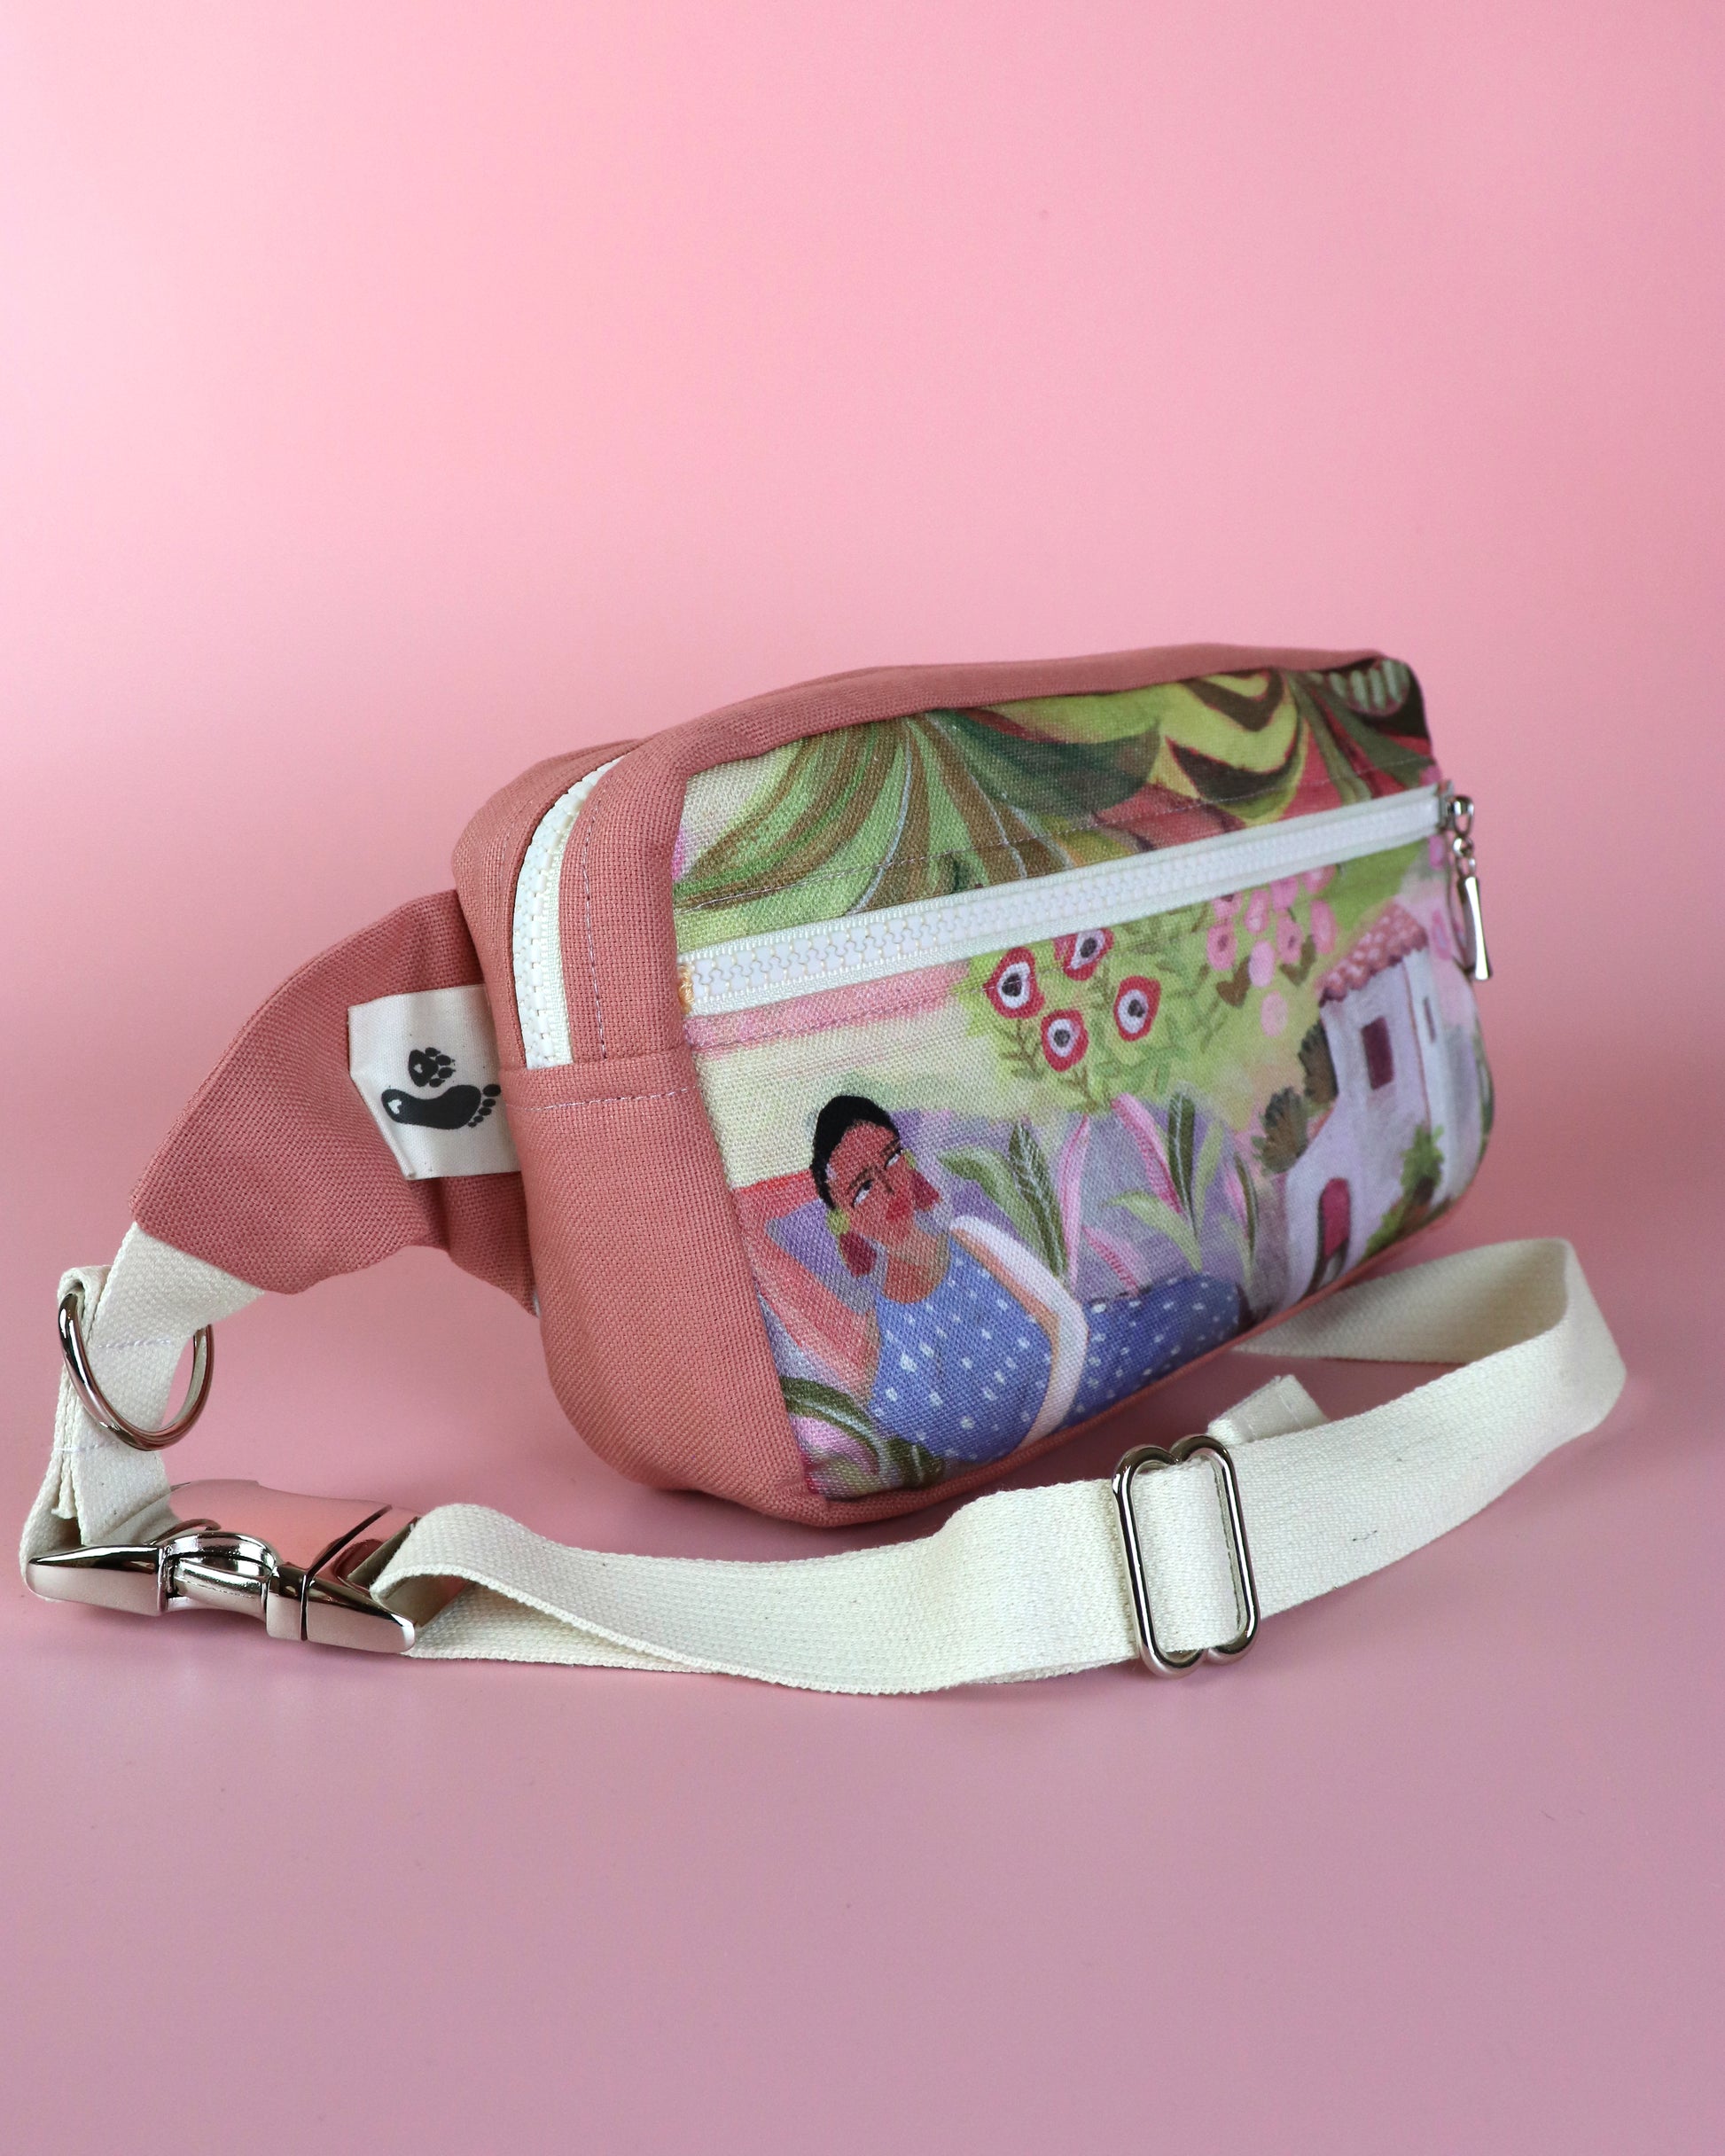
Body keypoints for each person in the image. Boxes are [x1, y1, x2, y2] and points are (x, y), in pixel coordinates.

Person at [734, 1094, 1244, 1469]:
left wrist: (1032, 1434)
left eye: (891, 1158)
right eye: (862, 1187)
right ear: (842, 1218)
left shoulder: (968, 1238)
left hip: (1108, 1356)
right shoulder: (871, 1337)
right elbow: (751, 1227)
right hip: (1061, 1456)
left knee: (1213, 1305)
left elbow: (1065, 1323)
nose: (888, 1187)